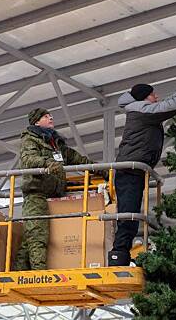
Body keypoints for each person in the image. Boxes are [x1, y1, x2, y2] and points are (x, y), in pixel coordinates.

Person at [108, 82, 176, 266]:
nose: (157, 97)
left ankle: (122, 253)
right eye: (154, 95)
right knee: (129, 214)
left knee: (131, 213)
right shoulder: (141, 111)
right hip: (129, 170)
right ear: (146, 97)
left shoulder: (142, 108)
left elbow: (167, 102)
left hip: (135, 171)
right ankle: (119, 255)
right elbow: (169, 106)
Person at [15, 108, 102, 270]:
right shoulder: (31, 140)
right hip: (37, 193)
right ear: (36, 122)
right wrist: (47, 163)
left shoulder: (55, 143)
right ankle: (38, 274)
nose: (50, 118)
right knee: (37, 235)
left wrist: (100, 168)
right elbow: (28, 159)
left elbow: (77, 158)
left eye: (50, 116)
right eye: (46, 116)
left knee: (31, 236)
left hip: (53, 194)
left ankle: (20, 270)